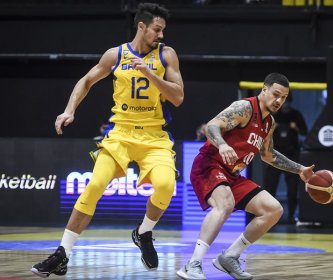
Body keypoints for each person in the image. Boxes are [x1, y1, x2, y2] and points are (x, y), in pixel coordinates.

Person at [31, 3, 184, 277]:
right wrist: (69, 110)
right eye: (157, 30)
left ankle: (144, 232)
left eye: (163, 30)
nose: (161, 35)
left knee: (166, 186)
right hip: (120, 134)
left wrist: (150, 73)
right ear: (142, 26)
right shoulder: (116, 54)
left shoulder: (167, 55)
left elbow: (178, 97)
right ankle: (62, 254)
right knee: (95, 186)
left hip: (154, 136)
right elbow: (87, 80)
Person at [177, 73, 314, 280]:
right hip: (209, 165)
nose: (279, 101)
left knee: (273, 210)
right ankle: (192, 264)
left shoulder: (269, 123)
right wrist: (222, 144)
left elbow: (268, 155)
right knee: (225, 204)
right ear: (264, 89)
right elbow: (212, 125)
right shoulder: (245, 108)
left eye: (283, 97)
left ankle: (229, 257)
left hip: (232, 174)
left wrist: (299, 169)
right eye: (276, 94)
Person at [263, 94, 308, 223]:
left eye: (287, 101)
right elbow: (263, 133)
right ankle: (267, 215)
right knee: (270, 185)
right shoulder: (273, 114)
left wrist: (296, 128)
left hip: (291, 154)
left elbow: (305, 132)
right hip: (274, 155)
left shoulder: (296, 114)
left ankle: (291, 216)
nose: (285, 104)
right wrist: (272, 129)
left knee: (292, 189)